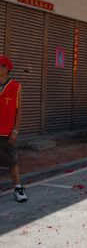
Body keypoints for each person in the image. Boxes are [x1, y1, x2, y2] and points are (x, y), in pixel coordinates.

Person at [0, 55, 27, 203]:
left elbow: (19, 111)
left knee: (11, 161)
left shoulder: (16, 87)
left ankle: (18, 188)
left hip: (6, 132)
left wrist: (15, 130)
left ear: (6, 69)